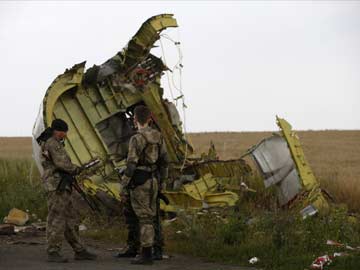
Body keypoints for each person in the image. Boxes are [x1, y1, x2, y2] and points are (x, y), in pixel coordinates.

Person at [38, 119, 97, 263]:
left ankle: (79, 250)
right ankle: (53, 251)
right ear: (58, 131)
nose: (65, 135)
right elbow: (62, 163)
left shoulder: (52, 142)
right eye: (64, 133)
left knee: (70, 218)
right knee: (57, 218)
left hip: (61, 186)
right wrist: (78, 169)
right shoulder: (52, 143)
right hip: (56, 186)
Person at [119, 105, 169, 265]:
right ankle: (154, 249)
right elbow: (165, 161)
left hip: (140, 181)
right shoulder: (158, 136)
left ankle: (146, 253)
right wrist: (162, 183)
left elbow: (131, 164)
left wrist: (124, 185)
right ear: (149, 119)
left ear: (135, 120)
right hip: (154, 180)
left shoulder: (137, 138)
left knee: (144, 218)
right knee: (151, 216)